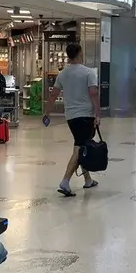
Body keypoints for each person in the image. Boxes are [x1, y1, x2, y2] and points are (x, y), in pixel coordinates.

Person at [52, 43, 100, 196]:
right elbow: (93, 93)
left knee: (81, 146)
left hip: (71, 117)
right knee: (79, 149)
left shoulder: (63, 74)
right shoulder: (88, 73)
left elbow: (54, 93)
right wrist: (98, 114)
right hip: (85, 115)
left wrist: (47, 112)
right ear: (80, 53)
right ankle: (65, 181)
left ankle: (88, 180)